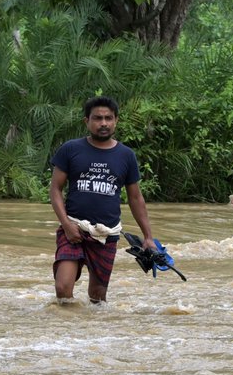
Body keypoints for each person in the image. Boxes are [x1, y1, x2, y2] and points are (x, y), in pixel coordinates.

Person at [49, 95, 154, 304]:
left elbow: (135, 198)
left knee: (97, 297)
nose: (103, 123)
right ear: (86, 121)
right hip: (74, 228)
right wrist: (66, 224)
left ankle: (90, 333)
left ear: (116, 121)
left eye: (108, 118)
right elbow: (55, 189)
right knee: (62, 287)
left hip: (107, 234)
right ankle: (64, 332)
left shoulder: (126, 155)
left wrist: (148, 237)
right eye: (97, 118)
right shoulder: (70, 149)